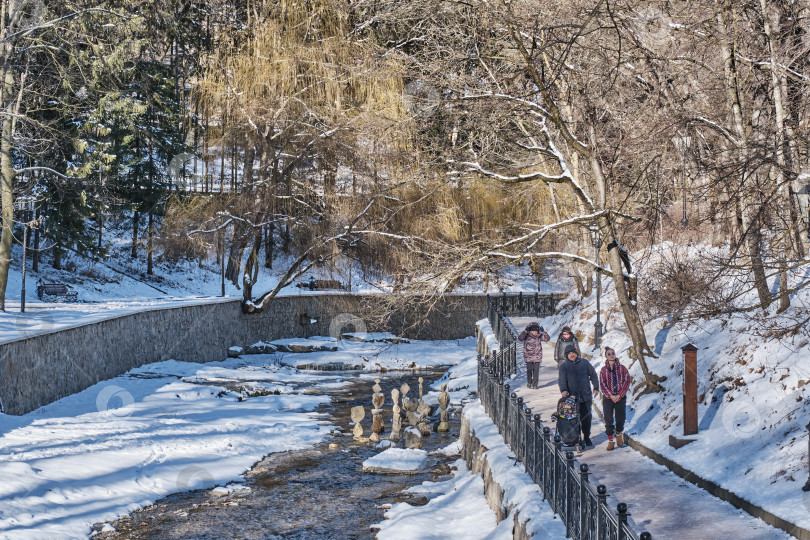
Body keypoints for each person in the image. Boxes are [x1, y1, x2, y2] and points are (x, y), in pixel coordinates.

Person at [558, 344, 599, 447]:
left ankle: (586, 437)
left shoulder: (584, 363)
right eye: (569, 353)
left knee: (586, 418)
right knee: (572, 419)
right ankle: (576, 437)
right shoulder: (564, 366)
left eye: (573, 353)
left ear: (577, 353)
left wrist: (596, 387)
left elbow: (593, 375)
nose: (572, 355)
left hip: (586, 396)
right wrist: (564, 390)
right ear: (566, 355)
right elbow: (562, 380)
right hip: (572, 398)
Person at [599, 347, 630, 450]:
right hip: (608, 398)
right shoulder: (603, 370)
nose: (611, 355)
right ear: (606, 356)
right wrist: (610, 396)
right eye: (609, 354)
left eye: (613, 353)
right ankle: (611, 441)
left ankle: (618, 435)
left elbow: (626, 382)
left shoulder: (623, 368)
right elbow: (602, 384)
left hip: (620, 397)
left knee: (620, 418)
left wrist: (619, 395)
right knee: (608, 419)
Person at [518, 322, 550, 389]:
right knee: (529, 369)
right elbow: (520, 338)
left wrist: (543, 332)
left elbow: (547, 339)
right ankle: (529, 382)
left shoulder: (539, 336)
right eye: (533, 331)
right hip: (528, 356)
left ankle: (535, 384)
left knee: (536, 371)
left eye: (535, 331)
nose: (534, 333)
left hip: (537, 356)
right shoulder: (527, 336)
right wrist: (525, 331)